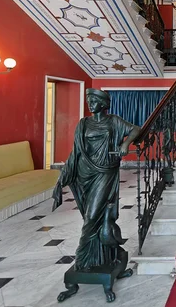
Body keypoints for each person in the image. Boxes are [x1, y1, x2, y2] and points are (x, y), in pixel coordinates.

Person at [52, 88, 140, 272]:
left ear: (103, 104)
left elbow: (136, 130)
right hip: (85, 172)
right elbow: (75, 152)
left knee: (92, 216)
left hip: (105, 172)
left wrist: (125, 143)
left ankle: (82, 260)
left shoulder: (113, 120)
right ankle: (101, 256)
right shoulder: (83, 124)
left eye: (94, 101)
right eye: (89, 101)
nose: (90, 104)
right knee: (89, 216)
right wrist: (61, 179)